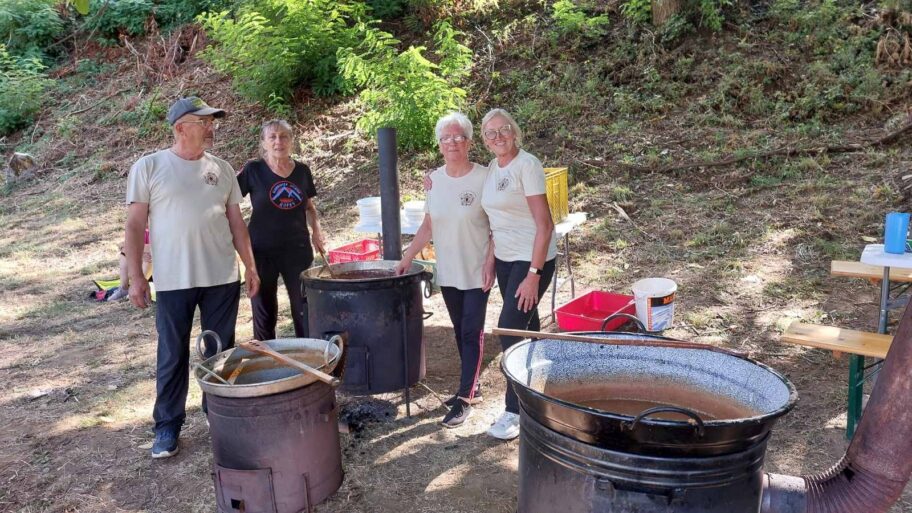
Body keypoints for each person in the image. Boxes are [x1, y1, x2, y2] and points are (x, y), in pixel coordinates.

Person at [124, 96, 260, 459]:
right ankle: (167, 425)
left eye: (212, 121)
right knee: (172, 353)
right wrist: (136, 276)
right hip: (173, 279)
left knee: (221, 350)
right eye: (204, 121)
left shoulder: (222, 169)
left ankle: (219, 412)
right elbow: (135, 225)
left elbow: (237, 223)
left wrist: (250, 266)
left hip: (221, 276)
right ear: (181, 127)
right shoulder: (149, 167)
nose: (211, 127)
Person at [397, 113, 493, 428]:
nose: (452, 142)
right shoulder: (434, 180)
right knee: (459, 329)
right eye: (446, 138)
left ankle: (465, 398)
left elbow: (497, 225)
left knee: (472, 332)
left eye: (458, 136)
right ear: (439, 145)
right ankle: (472, 386)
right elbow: (429, 224)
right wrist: (407, 257)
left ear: (469, 142)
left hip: (477, 269)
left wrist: (491, 262)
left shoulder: (484, 177)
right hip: (449, 269)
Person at [480, 108, 557, 440]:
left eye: (503, 130)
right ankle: (540, 391)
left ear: (514, 132)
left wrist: (534, 274)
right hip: (505, 260)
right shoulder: (491, 169)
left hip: (532, 260)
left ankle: (516, 410)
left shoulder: (528, 165)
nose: (498, 137)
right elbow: (495, 224)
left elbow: (545, 225)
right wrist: (489, 261)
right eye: (491, 133)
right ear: (485, 140)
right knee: (528, 325)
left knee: (510, 328)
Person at [236, 120, 325, 340]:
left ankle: (309, 353)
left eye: (284, 136)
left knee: (304, 308)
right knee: (264, 311)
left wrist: (317, 232)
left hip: (297, 249)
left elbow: (310, 208)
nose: (279, 142)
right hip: (261, 251)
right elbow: (228, 202)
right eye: (272, 137)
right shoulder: (253, 170)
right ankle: (266, 356)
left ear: (291, 141)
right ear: (264, 143)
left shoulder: (302, 171)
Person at [107, 228, 151, 301]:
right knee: (124, 253)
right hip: (143, 252)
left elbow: (156, 246)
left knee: (147, 257)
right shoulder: (141, 229)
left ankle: (140, 290)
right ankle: (124, 288)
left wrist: (137, 250)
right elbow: (123, 244)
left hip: (156, 257)